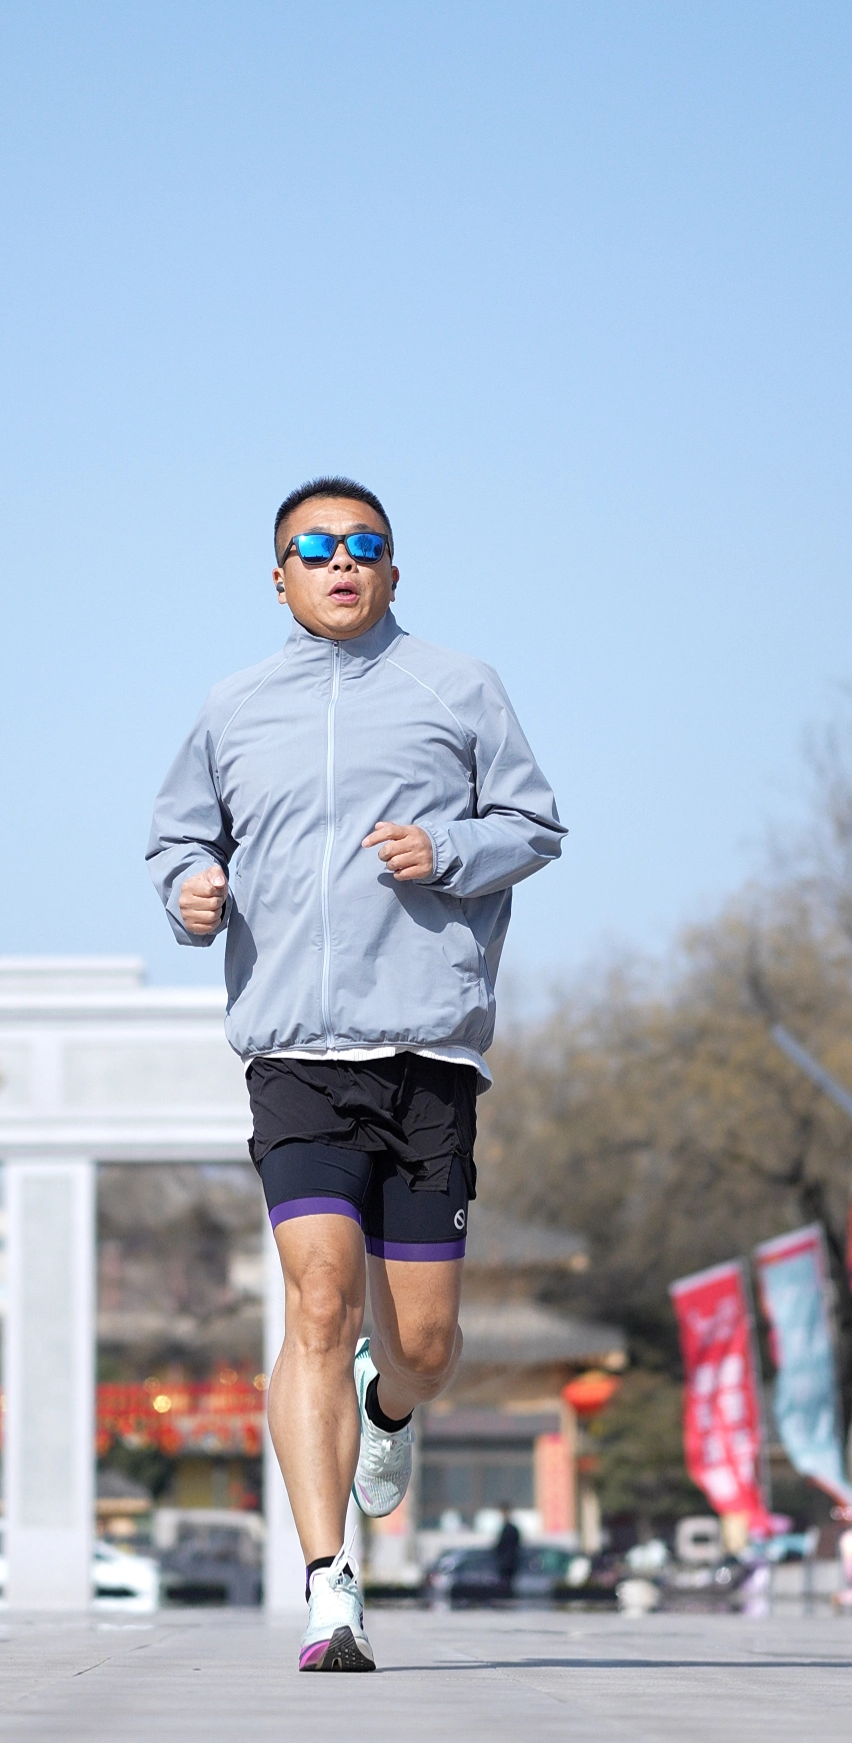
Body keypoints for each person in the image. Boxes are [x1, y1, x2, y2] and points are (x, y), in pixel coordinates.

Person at [147, 477, 565, 1671]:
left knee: (423, 1342)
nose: (341, 562)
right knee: (318, 1303)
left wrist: (452, 849)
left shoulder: (459, 687)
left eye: (363, 544)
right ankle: (330, 1586)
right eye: (315, 547)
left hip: (427, 1051)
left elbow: (535, 826)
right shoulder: (233, 707)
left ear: (392, 569)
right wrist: (189, 892)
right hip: (294, 1055)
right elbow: (179, 838)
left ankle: (391, 1407)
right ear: (279, 577)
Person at [494, 1506, 522, 1596]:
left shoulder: (508, 1529)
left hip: (506, 1563)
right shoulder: (511, 1529)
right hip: (509, 1562)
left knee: (505, 1587)